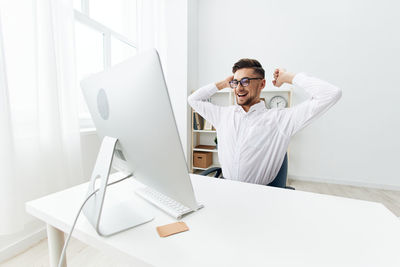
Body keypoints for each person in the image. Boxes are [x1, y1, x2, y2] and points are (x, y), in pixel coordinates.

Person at [188, 59, 342, 186]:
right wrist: (223, 84)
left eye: (245, 81)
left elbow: (331, 94)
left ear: (262, 84)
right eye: (236, 82)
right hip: (227, 190)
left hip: (260, 197)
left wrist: (288, 77)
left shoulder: (280, 119)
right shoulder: (223, 115)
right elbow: (193, 99)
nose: (239, 88)